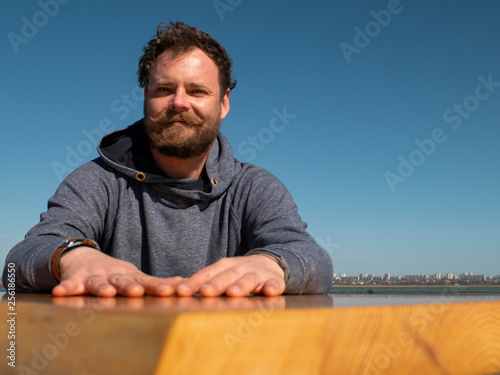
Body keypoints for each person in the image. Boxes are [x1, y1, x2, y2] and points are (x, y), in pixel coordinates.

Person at [2, 22, 333, 298]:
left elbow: (313, 259)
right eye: (163, 89)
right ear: (146, 97)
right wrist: (72, 257)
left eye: (197, 91)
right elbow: (18, 263)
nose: (179, 102)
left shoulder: (254, 187)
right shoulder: (98, 180)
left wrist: (270, 263)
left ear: (224, 103)